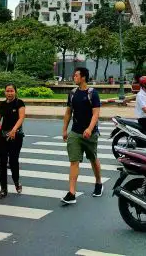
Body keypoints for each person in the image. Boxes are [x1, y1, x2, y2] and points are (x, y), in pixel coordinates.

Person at [61, 67, 103, 205]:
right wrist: (64, 130)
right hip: (75, 132)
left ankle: (98, 183)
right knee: (74, 161)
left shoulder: (93, 93)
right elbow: (68, 113)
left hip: (89, 134)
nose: (74, 77)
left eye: (76, 75)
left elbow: (96, 113)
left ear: (83, 77)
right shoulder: (72, 93)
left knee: (93, 158)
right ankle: (72, 193)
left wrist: (90, 129)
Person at [0, 83, 26, 199]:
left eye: (11, 91)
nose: (9, 93)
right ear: (5, 92)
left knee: (13, 162)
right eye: (7, 91)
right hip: (3, 137)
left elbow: (21, 117)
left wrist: (14, 130)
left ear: (15, 92)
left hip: (16, 137)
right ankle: (3, 189)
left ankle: (16, 182)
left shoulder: (19, 103)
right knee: (2, 163)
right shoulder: (3, 104)